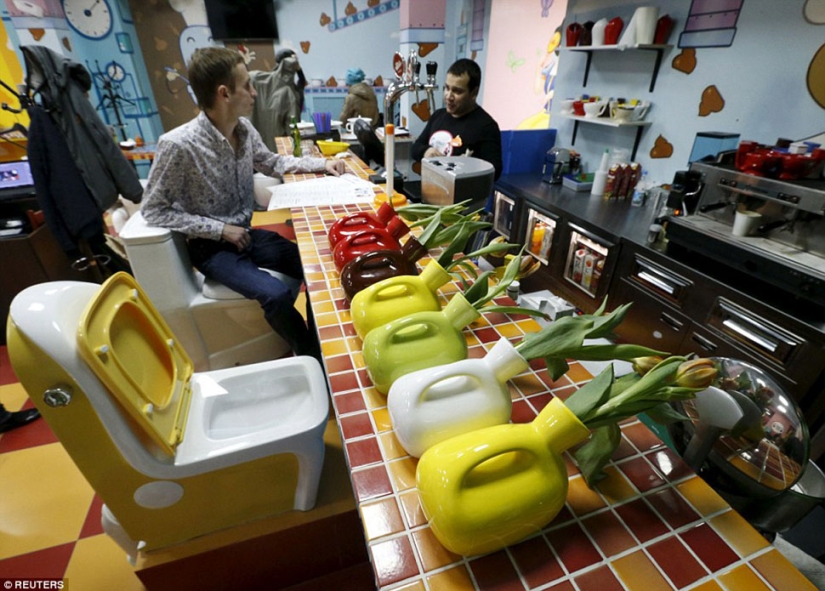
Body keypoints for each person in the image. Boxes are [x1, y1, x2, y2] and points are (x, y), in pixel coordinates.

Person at [141, 47, 345, 361]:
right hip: (212, 248)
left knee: (315, 265)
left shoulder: (244, 130)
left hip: (247, 235)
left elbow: (271, 162)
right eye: (247, 85)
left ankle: (320, 341)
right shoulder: (178, 145)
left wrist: (322, 165)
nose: (254, 93)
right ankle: (310, 356)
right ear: (224, 93)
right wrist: (220, 229)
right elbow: (153, 209)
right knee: (275, 295)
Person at [411, 58, 503, 180]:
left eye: (457, 91)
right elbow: (416, 147)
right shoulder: (438, 116)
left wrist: (468, 166)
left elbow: (494, 171)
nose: (449, 96)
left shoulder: (486, 126)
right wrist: (426, 151)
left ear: (474, 93)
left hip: (463, 196)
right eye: (447, 88)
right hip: (431, 190)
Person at [248, 48, 308, 151]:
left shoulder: (258, 79)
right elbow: (292, 127)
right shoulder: (289, 91)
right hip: (280, 146)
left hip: (257, 143)